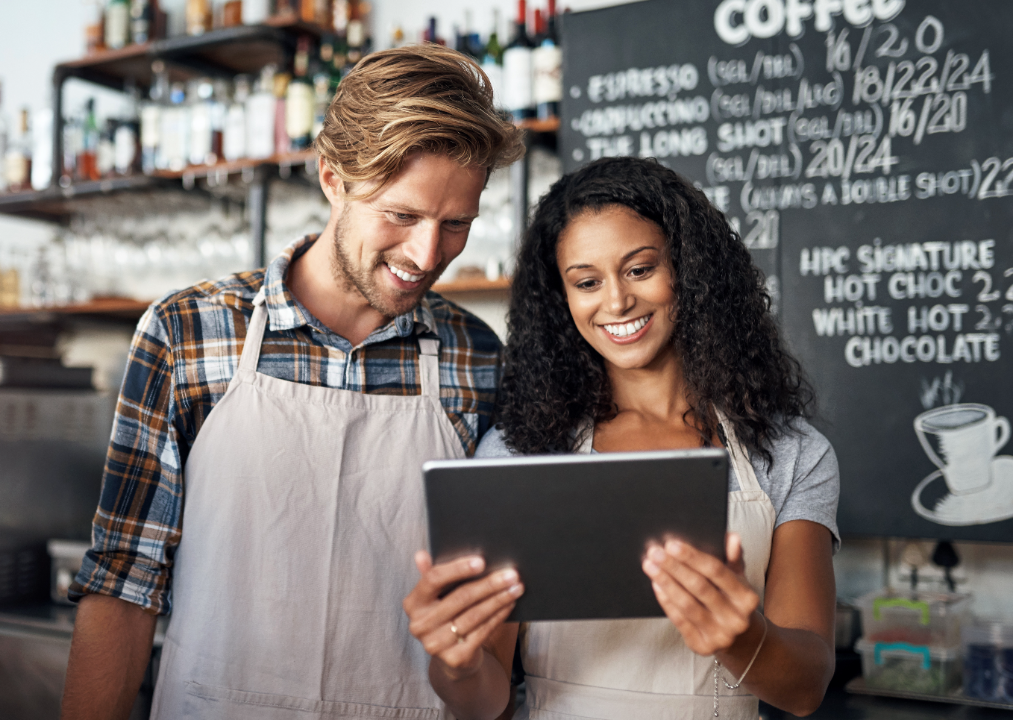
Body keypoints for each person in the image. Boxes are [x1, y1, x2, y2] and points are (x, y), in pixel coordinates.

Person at [60, 44, 525, 720]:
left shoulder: (479, 362)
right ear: (333, 178)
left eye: (456, 224)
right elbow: (124, 584)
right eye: (400, 214)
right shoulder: (188, 333)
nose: (428, 255)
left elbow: (486, 622)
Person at [403, 156, 841, 719]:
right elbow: (483, 704)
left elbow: (805, 689)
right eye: (587, 282)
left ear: (689, 268)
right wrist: (456, 665)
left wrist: (740, 636)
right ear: (563, 301)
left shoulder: (791, 453)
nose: (615, 302)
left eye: (639, 269)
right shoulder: (522, 452)